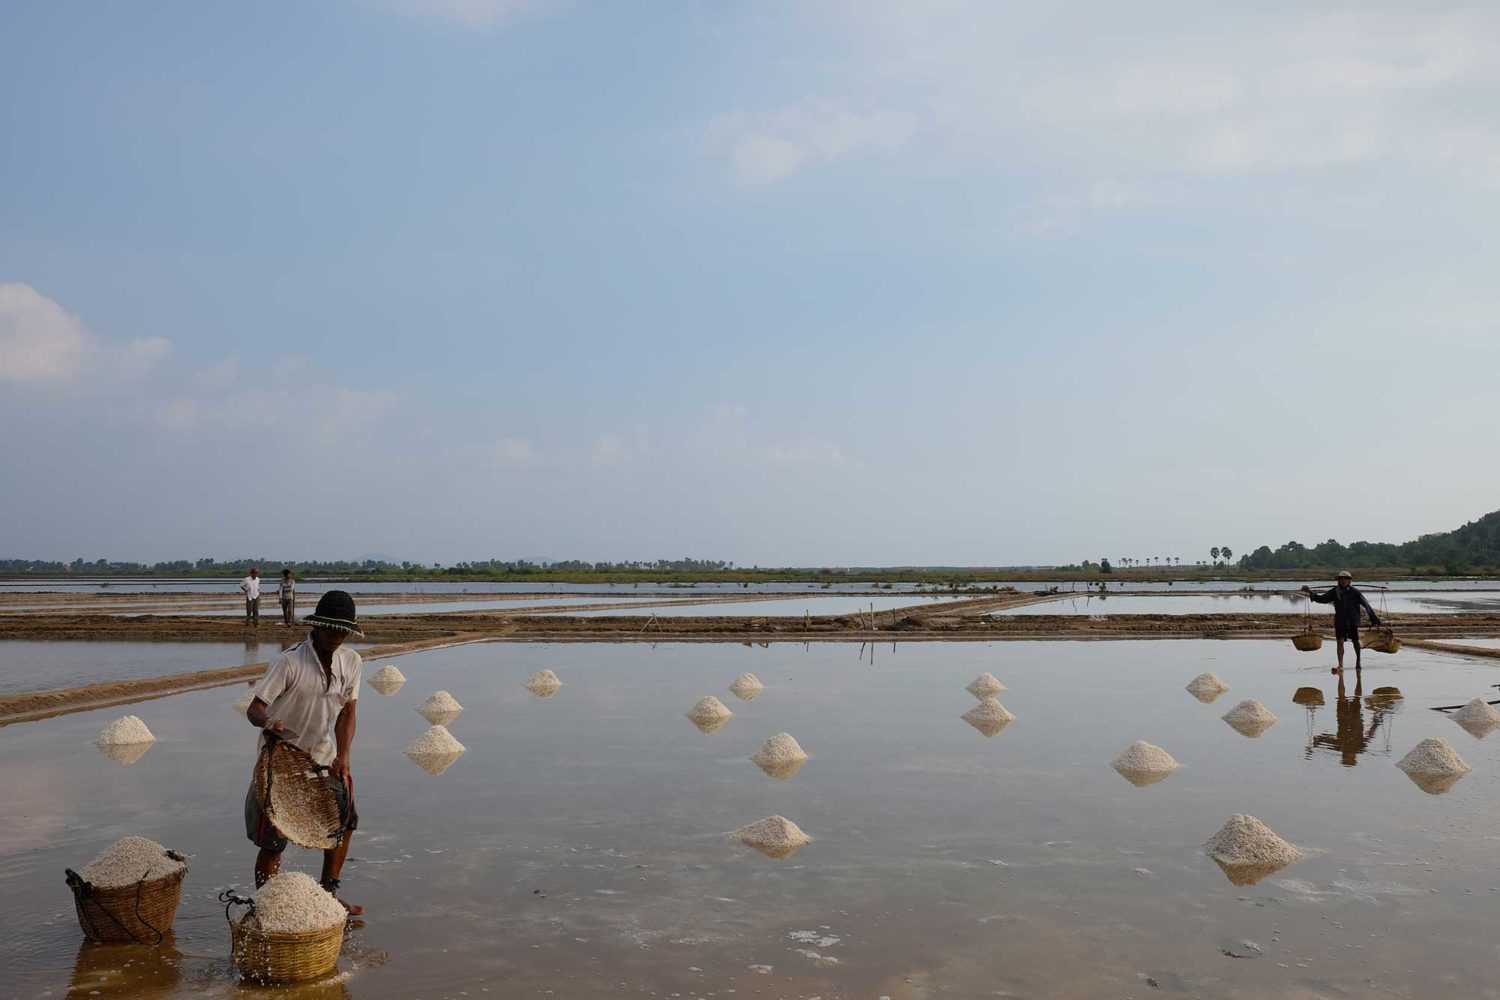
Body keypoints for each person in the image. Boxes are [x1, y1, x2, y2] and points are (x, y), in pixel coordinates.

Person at [244, 590, 365, 915]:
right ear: (318, 626)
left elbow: (347, 714)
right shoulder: (290, 662)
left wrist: (344, 755)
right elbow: (254, 709)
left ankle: (329, 892)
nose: (338, 636)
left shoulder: (352, 662)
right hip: (281, 762)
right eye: (332, 629)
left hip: (322, 759)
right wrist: (269, 722)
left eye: (344, 631)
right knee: (273, 840)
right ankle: (268, 906)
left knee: (345, 821)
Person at [1301, 571, 1380, 674]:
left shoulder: (1355, 592)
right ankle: (1341, 665)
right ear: (1338, 580)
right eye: (1341, 579)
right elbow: (1322, 599)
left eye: (1345, 579)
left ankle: (1358, 660)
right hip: (1340, 620)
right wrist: (1310, 593)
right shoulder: (1334, 592)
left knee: (1355, 641)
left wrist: (1373, 618)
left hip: (1352, 620)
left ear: (1349, 581)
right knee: (1340, 642)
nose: (1343, 581)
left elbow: (1366, 604)